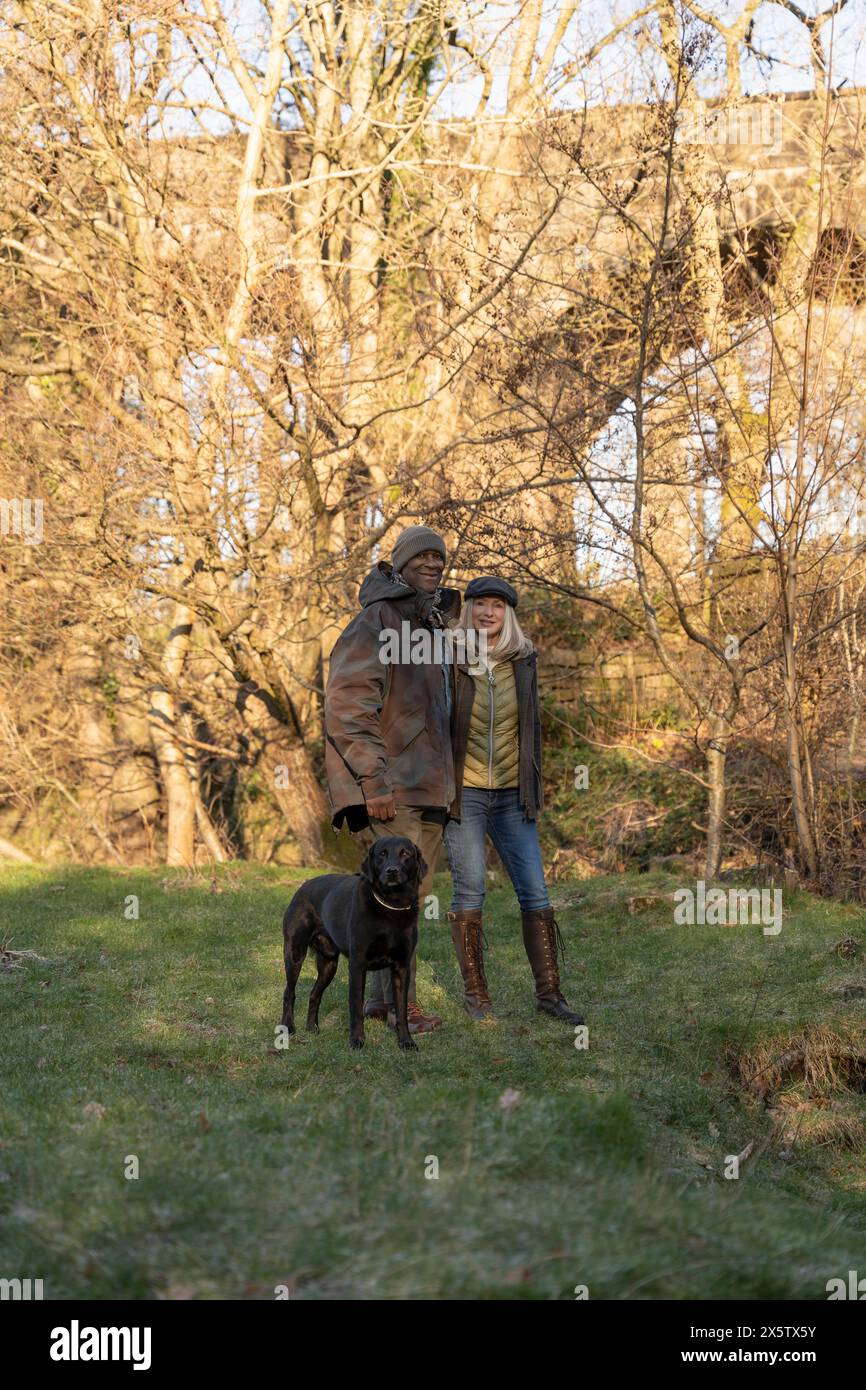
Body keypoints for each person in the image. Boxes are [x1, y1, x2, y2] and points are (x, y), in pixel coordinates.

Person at [324, 525, 460, 1035]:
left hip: (428, 790)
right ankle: (403, 1009)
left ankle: (385, 1004)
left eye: (439, 557)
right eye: (421, 556)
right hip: (388, 789)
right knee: (387, 896)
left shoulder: (434, 626)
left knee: (408, 899)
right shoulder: (377, 621)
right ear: (399, 564)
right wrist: (373, 781)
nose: (433, 564)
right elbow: (346, 706)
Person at [444, 576, 584, 1024]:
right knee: (471, 890)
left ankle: (550, 995)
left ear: (509, 614)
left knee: (535, 891)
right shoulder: (450, 655)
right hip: (463, 794)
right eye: (480, 605)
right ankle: (477, 999)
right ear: (468, 611)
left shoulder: (523, 660)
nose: (488, 613)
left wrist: (533, 786)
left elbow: (533, 729)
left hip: (510, 795)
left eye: (497, 606)